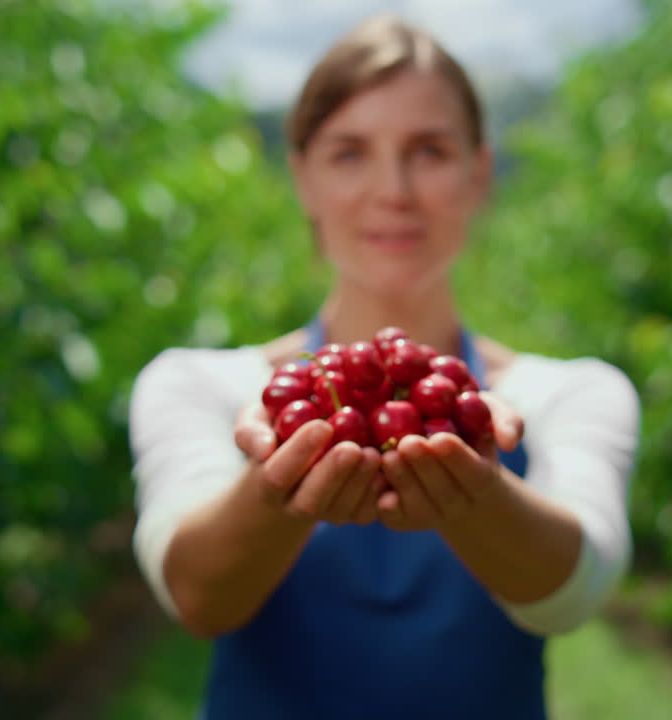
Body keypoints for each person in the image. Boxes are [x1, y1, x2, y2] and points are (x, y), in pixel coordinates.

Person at [129, 14, 640, 719]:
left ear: (479, 174)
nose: (393, 189)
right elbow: (197, 598)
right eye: (349, 153)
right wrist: (273, 492)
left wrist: (480, 495)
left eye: (430, 151)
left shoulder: (571, 394)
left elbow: (573, 595)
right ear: (303, 178)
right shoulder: (199, 386)